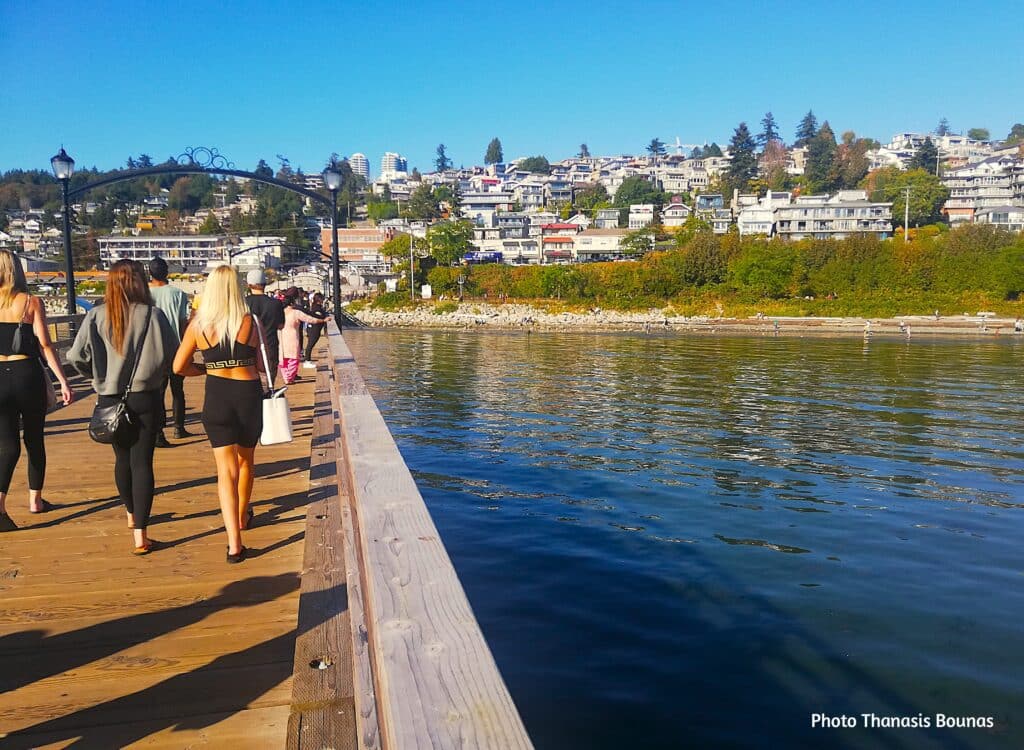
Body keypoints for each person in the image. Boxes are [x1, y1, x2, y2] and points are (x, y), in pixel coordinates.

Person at [68, 260, 176, 554]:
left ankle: (130, 513)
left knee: (121, 460)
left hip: (110, 398)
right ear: (140, 282)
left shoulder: (97, 316)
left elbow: (75, 356)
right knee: (143, 463)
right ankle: (141, 535)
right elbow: (172, 355)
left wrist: (98, 376)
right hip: (146, 396)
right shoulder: (153, 315)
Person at [174, 265, 264, 564]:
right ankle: (241, 516)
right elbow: (263, 366)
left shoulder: (198, 326)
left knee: (225, 471)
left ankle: (234, 545)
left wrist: (204, 369)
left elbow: (178, 367)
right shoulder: (249, 322)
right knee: (246, 460)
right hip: (247, 396)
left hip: (217, 397)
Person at [0, 250, 75, 532]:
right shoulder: (30, 302)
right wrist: (63, 381)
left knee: (6, 445)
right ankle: (35, 500)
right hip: (26, 375)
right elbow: (46, 345)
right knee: (34, 438)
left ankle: (1, 505)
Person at [147, 257, 193, 446]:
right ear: (167, 272)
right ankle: (179, 428)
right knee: (177, 390)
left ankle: (158, 433)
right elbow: (183, 322)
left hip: (153, 348)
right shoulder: (178, 294)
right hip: (176, 346)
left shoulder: (145, 294)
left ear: (149, 273)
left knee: (157, 392)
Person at [245, 270, 284, 387]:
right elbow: (281, 326)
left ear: (249, 285)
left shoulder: (243, 303)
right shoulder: (275, 303)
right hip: (270, 344)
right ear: (265, 284)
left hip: (248, 346)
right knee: (269, 379)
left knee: (251, 379)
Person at [279, 291, 321, 385]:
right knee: (293, 359)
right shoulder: (296, 313)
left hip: (281, 338)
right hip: (293, 338)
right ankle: (289, 378)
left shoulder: (280, 312)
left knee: (283, 360)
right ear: (292, 303)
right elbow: (309, 319)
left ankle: (286, 377)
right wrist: (321, 320)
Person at [302, 293, 329, 368]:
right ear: (319, 299)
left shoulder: (315, 306)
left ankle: (307, 360)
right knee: (310, 345)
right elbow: (317, 317)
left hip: (314, 328)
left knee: (310, 345)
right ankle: (307, 361)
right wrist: (324, 319)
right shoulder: (316, 308)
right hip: (314, 329)